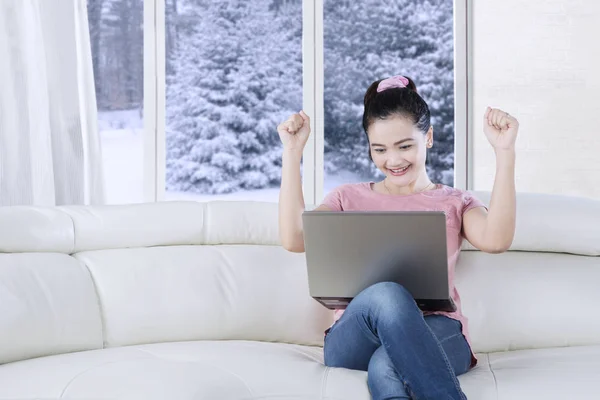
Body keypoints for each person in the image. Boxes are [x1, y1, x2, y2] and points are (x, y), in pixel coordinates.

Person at [277, 75, 518, 400]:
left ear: (428, 137)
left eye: (405, 146)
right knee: (387, 293)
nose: (393, 160)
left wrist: (505, 153)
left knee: (387, 365)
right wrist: (292, 153)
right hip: (356, 335)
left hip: (438, 329)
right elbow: (294, 238)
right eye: (380, 150)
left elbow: (497, 238)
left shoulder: (453, 201)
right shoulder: (346, 198)